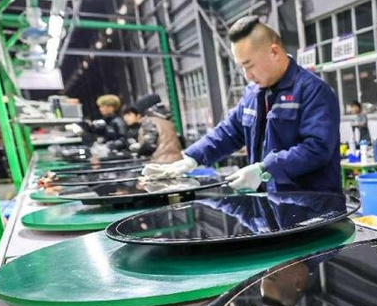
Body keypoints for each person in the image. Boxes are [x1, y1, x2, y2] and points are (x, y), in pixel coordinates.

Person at [141, 16, 342, 193]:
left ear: (274, 52)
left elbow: (316, 149)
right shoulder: (253, 93)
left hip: (312, 204)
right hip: (270, 202)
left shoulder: (312, 90)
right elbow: (229, 131)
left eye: (249, 65)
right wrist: (192, 158)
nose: (247, 76)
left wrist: (266, 169)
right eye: (241, 68)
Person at [123, 94, 183, 164]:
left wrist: (139, 152)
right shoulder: (167, 120)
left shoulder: (149, 121)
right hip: (177, 161)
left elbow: (149, 145)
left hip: (160, 162)